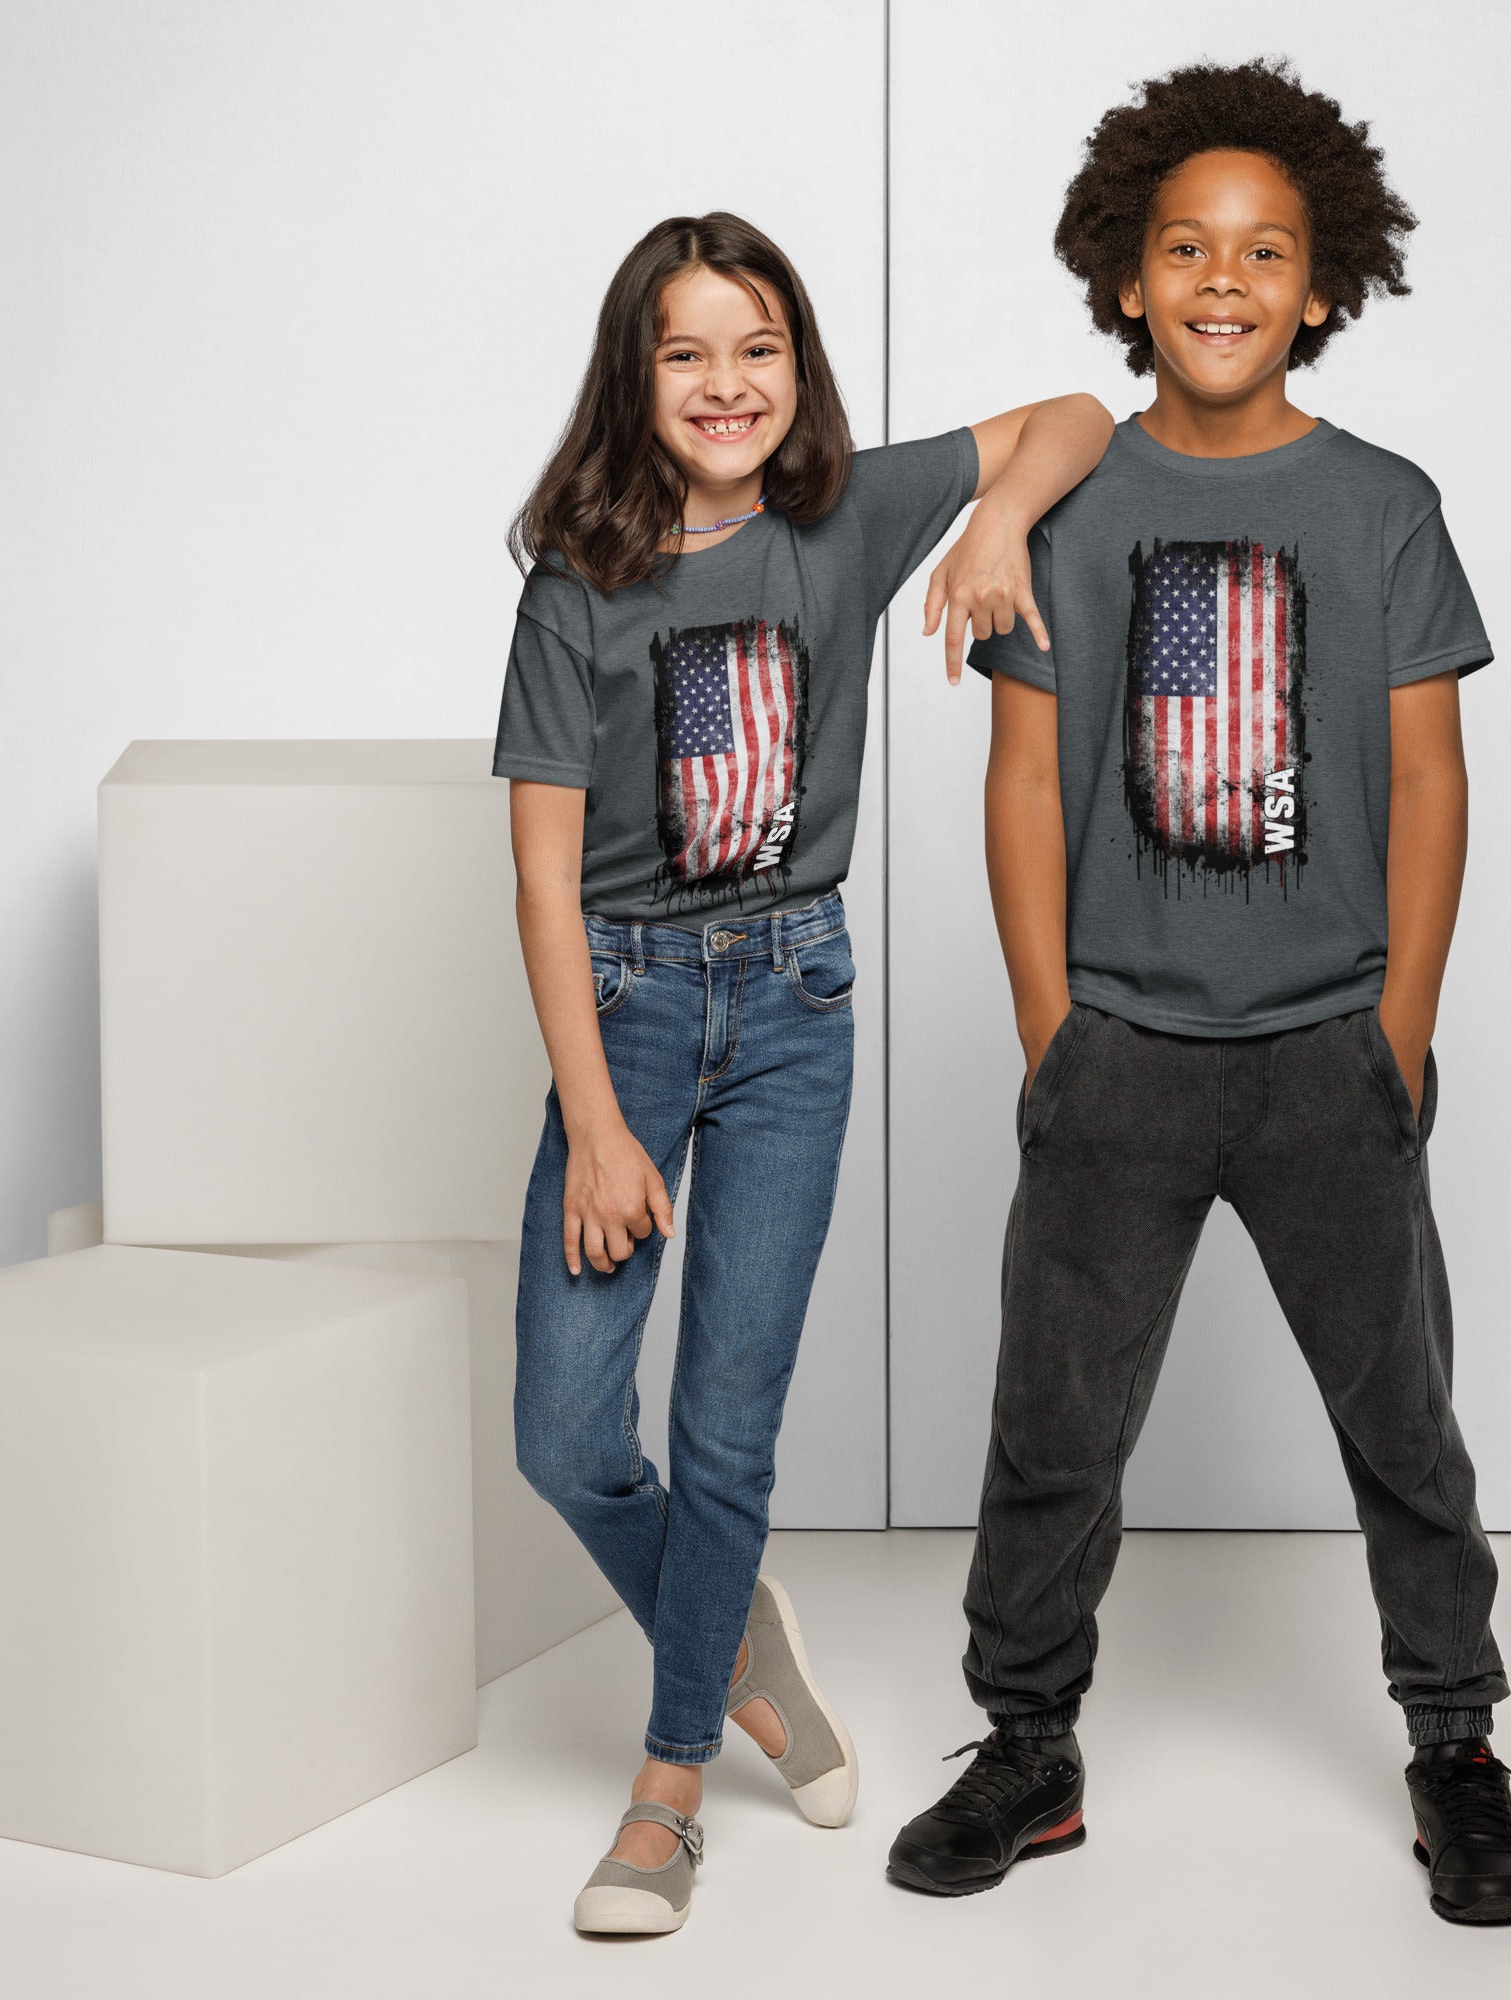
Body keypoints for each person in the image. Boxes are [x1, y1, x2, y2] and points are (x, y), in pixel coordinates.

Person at [886, 62, 1511, 1926]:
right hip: (1124, 1053)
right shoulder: (1068, 506)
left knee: (1403, 1422)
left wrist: (1399, 1026)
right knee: (1055, 1424)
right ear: (1126, 279)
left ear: (1324, 285)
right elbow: (1024, 778)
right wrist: (1051, 1025)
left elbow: (1429, 777)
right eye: (1186, 248)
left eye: (1267, 251)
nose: (1226, 278)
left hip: (1332, 1044)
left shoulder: (1384, 504)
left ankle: (1457, 1746)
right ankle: (1028, 1747)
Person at [496, 210, 1111, 1937]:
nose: (726, 383)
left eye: (756, 347)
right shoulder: (580, 578)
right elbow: (543, 874)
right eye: (686, 351)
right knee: (564, 1425)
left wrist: (995, 516)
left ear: (799, 364)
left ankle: (670, 1787)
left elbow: (1077, 416)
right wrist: (601, 1126)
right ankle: (739, 1626)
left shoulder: (844, 516)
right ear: (637, 373)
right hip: (619, 1003)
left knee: (726, 1424)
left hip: (791, 1004)